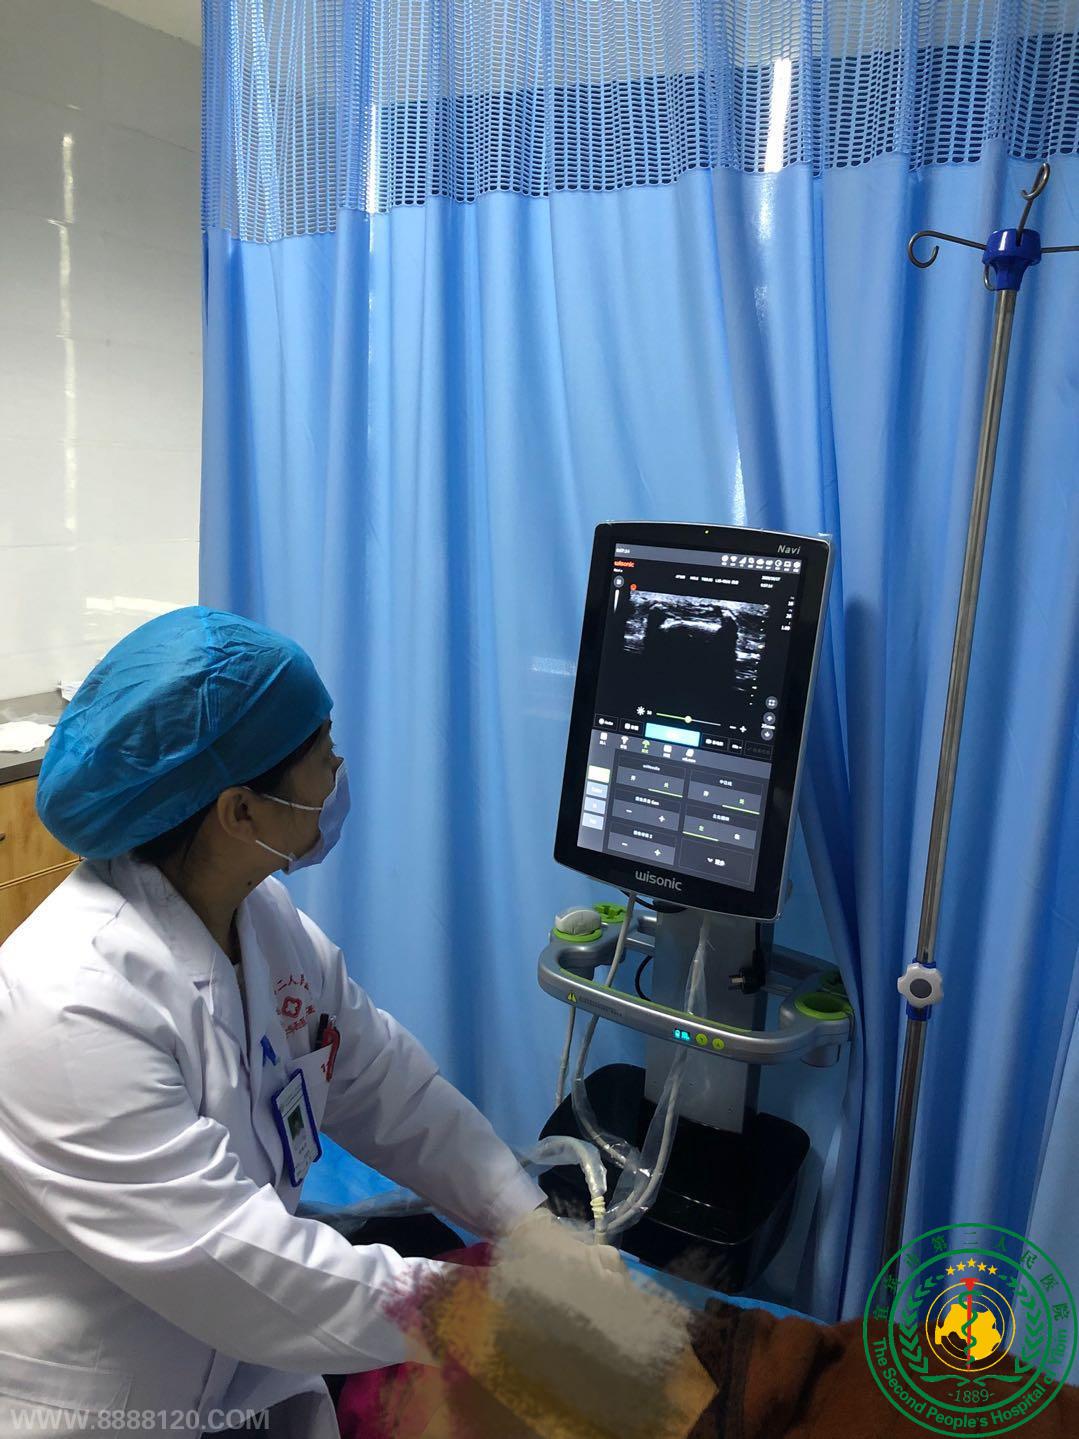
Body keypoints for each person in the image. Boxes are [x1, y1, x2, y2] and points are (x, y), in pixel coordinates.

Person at [0, 607, 548, 1438]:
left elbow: (387, 1086)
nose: (338, 771)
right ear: (241, 812)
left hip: (243, 1374)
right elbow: (234, 1261)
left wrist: (534, 1231)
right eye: (322, 750)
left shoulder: (263, 920)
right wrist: (498, 1315)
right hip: (103, 1402)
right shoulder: (68, 1004)